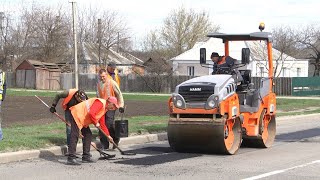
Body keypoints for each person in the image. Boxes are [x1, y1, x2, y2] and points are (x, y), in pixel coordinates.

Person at [67, 96, 119, 165]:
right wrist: (96, 123)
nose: (114, 108)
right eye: (114, 106)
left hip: (82, 118)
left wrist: (108, 136)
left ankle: (86, 156)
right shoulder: (100, 103)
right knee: (75, 135)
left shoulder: (104, 109)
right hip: (77, 114)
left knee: (88, 135)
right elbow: (92, 113)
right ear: (110, 103)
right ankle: (71, 158)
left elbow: (102, 124)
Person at [97, 68, 124, 150]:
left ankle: (115, 138)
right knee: (102, 125)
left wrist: (121, 105)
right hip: (102, 107)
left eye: (103, 76)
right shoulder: (99, 84)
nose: (102, 78)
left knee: (108, 123)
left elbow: (119, 94)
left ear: (106, 75)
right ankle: (104, 144)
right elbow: (98, 96)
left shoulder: (112, 83)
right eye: (101, 77)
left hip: (112, 106)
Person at [0, 69, 6, 141]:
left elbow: (5, 85)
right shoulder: (2, 73)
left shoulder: (3, 74)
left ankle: (0, 136)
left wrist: (3, 97)